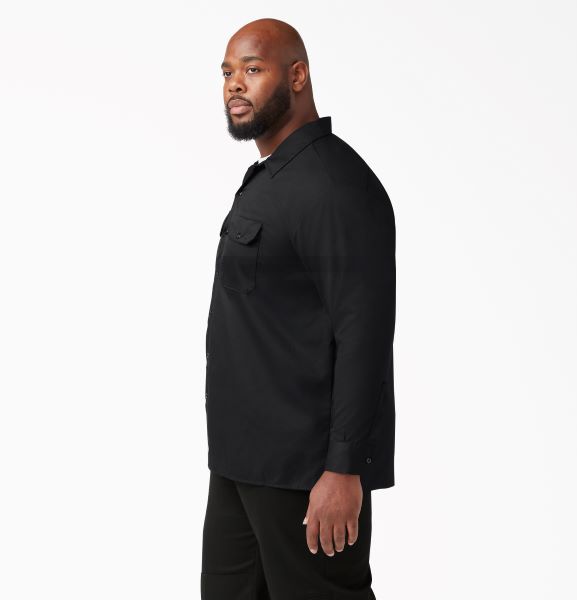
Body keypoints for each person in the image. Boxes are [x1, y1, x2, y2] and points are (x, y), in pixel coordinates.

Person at [201, 17, 396, 600]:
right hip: (240, 465)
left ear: (298, 76)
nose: (235, 84)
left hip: (305, 475)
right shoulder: (272, 179)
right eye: (227, 73)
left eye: (252, 69)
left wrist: (343, 470)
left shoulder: (334, 186)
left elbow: (364, 335)